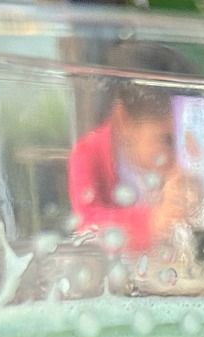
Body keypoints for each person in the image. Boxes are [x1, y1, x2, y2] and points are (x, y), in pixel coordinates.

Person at [67, 48, 194, 255]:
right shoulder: (88, 154)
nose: (177, 153)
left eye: (184, 139)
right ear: (123, 120)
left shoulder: (180, 160)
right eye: (167, 140)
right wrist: (152, 222)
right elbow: (86, 224)